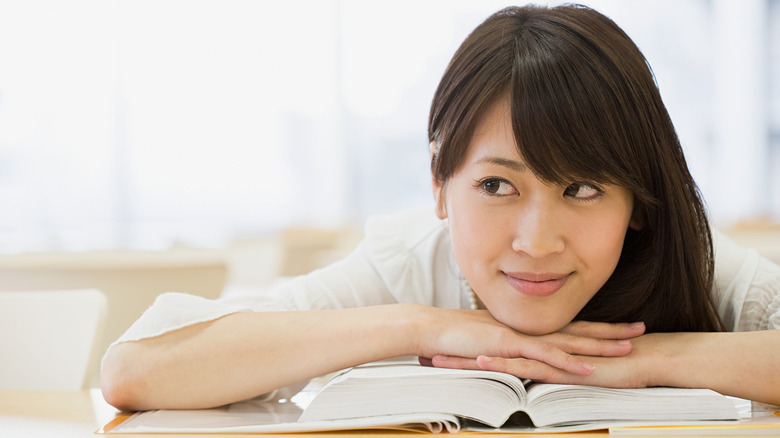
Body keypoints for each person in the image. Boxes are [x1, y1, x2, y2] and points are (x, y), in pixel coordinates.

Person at [101, 4, 780, 411]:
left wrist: (645, 360)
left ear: (637, 200)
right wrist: (430, 327)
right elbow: (134, 373)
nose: (537, 242)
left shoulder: (689, 258)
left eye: (582, 189)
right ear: (438, 184)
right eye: (496, 187)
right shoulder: (406, 263)